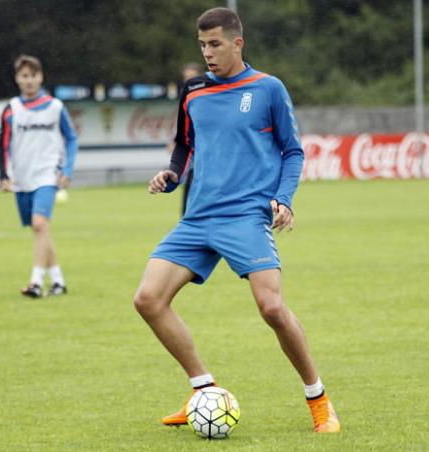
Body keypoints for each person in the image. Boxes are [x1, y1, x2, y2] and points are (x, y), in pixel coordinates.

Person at [133, 7, 340, 434]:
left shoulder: (268, 89)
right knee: (148, 300)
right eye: (202, 45)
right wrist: (170, 177)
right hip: (198, 217)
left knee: (272, 307)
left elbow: (293, 151)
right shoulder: (192, 90)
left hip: (247, 215)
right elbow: (183, 145)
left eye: (215, 45)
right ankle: (203, 390)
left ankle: (319, 400)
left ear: (237, 42)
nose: (208, 53)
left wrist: (283, 199)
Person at [0, 54, 78, 298]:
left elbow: (71, 138)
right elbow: (2, 144)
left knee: (39, 223)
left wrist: (66, 171)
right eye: (24, 76)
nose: (29, 80)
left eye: (33, 75)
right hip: (22, 179)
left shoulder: (55, 106)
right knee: (40, 230)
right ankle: (58, 281)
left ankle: (35, 282)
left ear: (40, 77)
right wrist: (4, 175)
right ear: (17, 79)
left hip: (47, 175)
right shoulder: (11, 109)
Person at [178, 62, 203, 216]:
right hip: (193, 159)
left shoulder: (208, 97)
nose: (188, 81)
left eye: (191, 77)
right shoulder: (186, 97)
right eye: (186, 78)